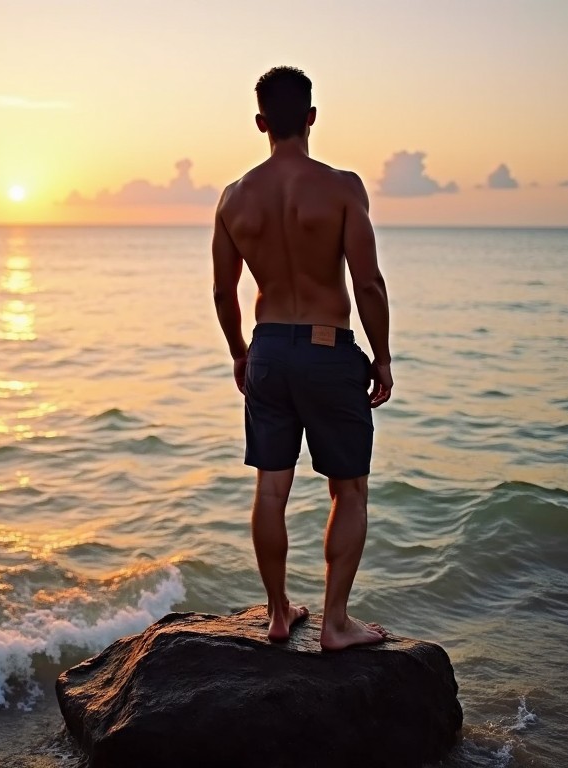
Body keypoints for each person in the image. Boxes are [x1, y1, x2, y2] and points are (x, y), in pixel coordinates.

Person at [211, 66, 394, 650]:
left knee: (270, 488)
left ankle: (277, 614)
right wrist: (383, 357)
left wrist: (241, 354)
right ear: (312, 117)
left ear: (261, 123)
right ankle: (336, 624)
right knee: (349, 490)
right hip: (326, 348)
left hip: (267, 349)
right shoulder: (342, 188)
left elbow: (222, 292)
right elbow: (368, 283)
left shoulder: (233, 199)